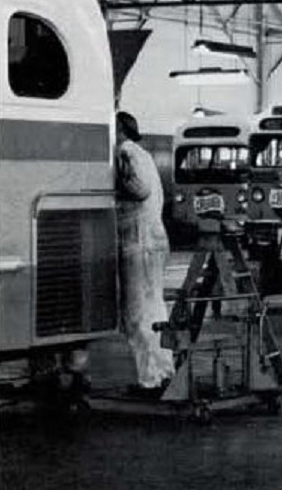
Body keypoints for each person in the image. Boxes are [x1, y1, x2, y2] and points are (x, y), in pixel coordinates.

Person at [115, 111, 175, 398]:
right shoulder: (144, 153)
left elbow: (140, 189)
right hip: (150, 240)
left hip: (140, 242)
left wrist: (118, 182)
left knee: (139, 314)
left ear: (119, 129)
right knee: (152, 310)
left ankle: (152, 381)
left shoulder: (126, 152)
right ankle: (162, 374)